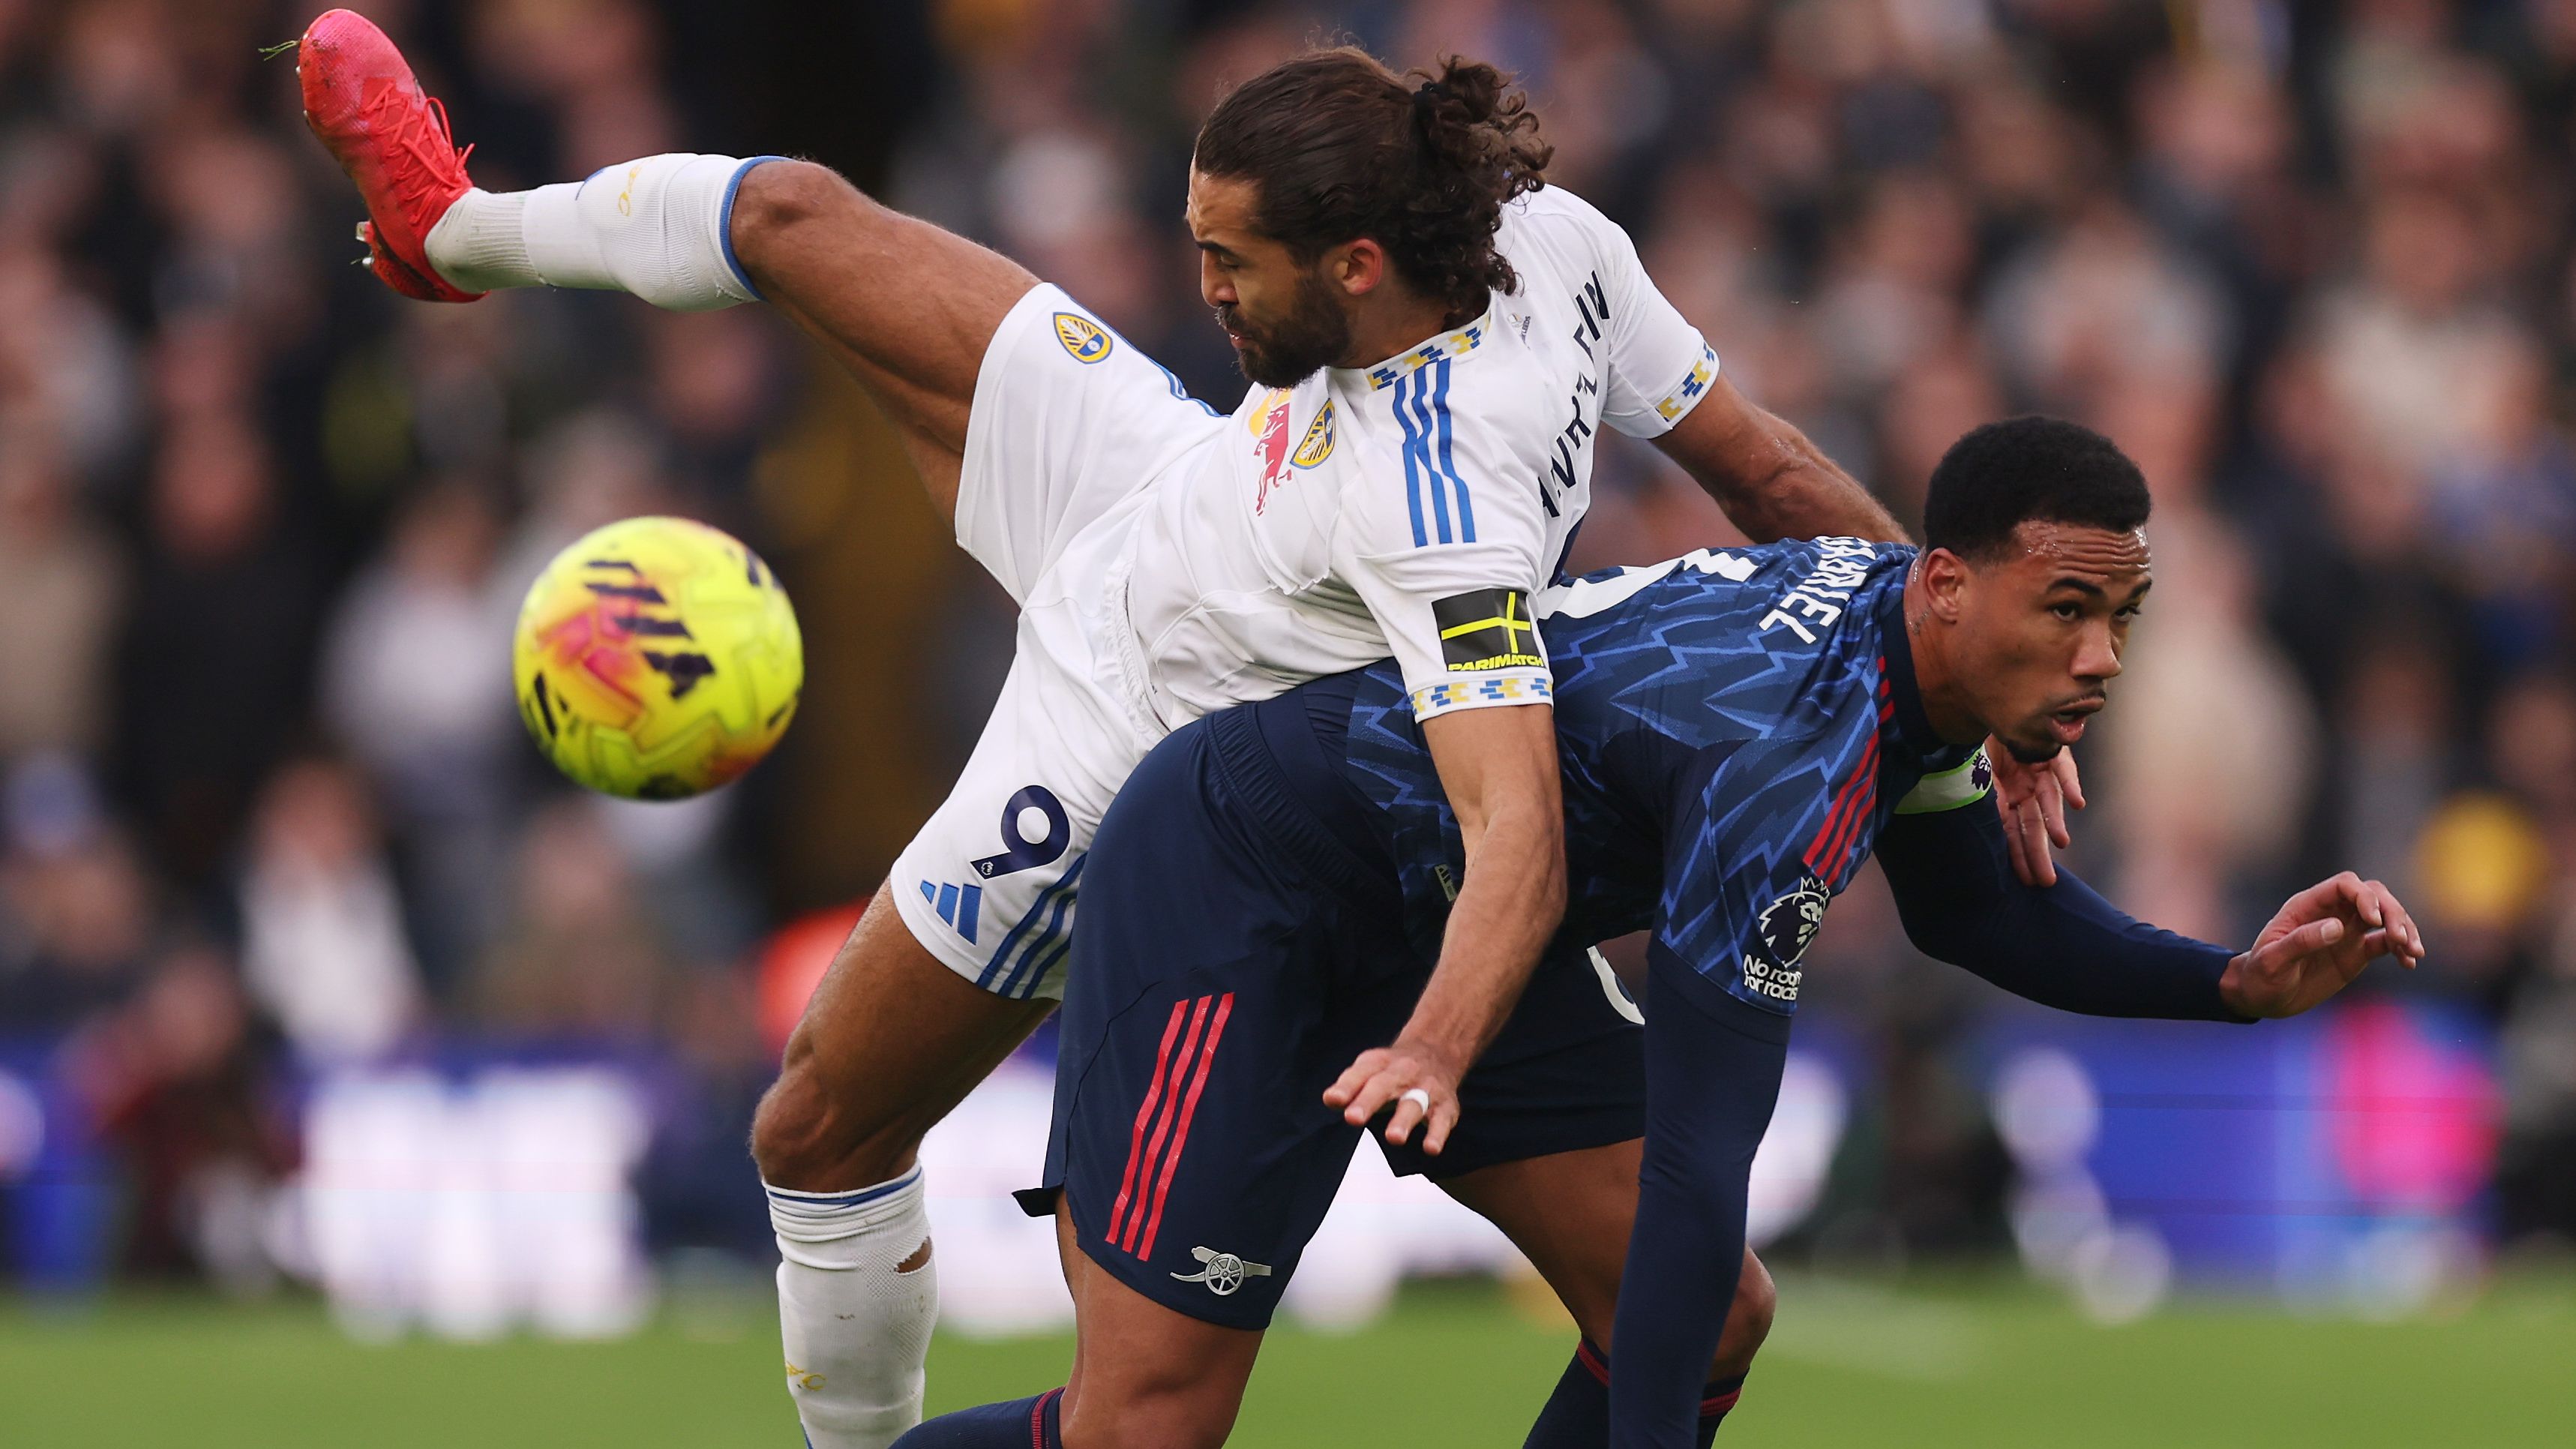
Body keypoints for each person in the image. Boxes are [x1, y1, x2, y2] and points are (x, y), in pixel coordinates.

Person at [291, 14, 1940, 1446]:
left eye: (1231, 261)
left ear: (1355, 267)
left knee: (819, 1127)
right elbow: (1775, 475)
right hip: (1157, 479)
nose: (1197, 282)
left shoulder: (1440, 496)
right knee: (792, 213)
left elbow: (1517, 829)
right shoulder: (1551, 239)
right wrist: (1954, 693)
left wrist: (1438, 1049)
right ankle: (457, 229)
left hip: (1144, 750)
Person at [905, 416, 2425, 1448]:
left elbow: (1976, 913)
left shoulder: (1905, 651)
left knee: (1700, 1321)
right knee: (1146, 1429)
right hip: (1249, 876)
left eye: (2121, 619)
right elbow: (1704, 1158)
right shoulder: (1782, 767)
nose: (2099, 658)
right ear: (1950, 586)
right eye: (2067, 610)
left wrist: (2232, 983)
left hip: (1465, 913)